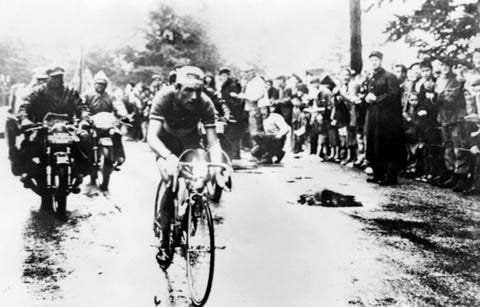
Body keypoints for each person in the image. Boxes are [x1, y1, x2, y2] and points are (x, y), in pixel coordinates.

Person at [147, 65, 223, 265]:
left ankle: (188, 212)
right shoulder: (164, 97)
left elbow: (213, 142)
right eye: (189, 90)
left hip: (190, 141)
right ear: (177, 86)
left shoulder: (205, 103)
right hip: (165, 142)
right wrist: (166, 156)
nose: (195, 96)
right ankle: (165, 242)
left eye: (199, 90)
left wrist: (216, 166)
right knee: (170, 181)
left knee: (200, 177)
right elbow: (151, 136)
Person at [16, 67, 90, 209]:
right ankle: (26, 172)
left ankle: (79, 173)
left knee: (82, 145)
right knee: (28, 147)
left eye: (60, 77)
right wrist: (25, 119)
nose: (57, 80)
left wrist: (85, 118)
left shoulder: (70, 91)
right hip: (43, 128)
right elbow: (25, 106)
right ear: (48, 77)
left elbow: (81, 106)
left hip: (66, 128)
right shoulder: (38, 91)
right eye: (54, 77)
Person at [364, 51, 406, 186]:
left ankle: (390, 176)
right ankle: (378, 173)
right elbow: (369, 94)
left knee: (388, 145)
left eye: (376, 60)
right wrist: (367, 98)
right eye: (371, 60)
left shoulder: (389, 76)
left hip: (387, 118)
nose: (374, 62)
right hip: (374, 116)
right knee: (375, 145)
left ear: (381, 61)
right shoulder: (372, 77)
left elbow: (393, 94)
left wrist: (377, 99)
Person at [83, 71, 128, 191]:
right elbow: (82, 106)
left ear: (106, 85)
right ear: (94, 84)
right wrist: (85, 116)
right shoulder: (87, 94)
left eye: (103, 84)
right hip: (92, 122)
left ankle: (119, 157)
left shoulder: (110, 95)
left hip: (108, 123)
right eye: (98, 84)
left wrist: (123, 114)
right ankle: (83, 160)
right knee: (84, 138)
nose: (100, 86)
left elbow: (118, 105)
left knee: (117, 134)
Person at [435, 56, 469, 191]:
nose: (444, 68)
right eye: (442, 65)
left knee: (459, 147)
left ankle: (461, 177)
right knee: (447, 147)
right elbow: (437, 100)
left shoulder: (457, 80)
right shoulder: (440, 80)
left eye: (447, 66)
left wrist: (438, 95)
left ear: (452, 67)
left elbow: (451, 98)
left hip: (456, 117)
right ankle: (451, 176)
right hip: (444, 117)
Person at [250, 98, 290, 164]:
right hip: (267, 141)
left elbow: (285, 128)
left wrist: (279, 135)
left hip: (277, 140)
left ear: (268, 109)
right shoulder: (260, 119)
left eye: (264, 109)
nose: (263, 111)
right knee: (254, 152)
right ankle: (279, 153)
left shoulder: (275, 116)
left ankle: (267, 157)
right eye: (261, 109)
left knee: (258, 136)